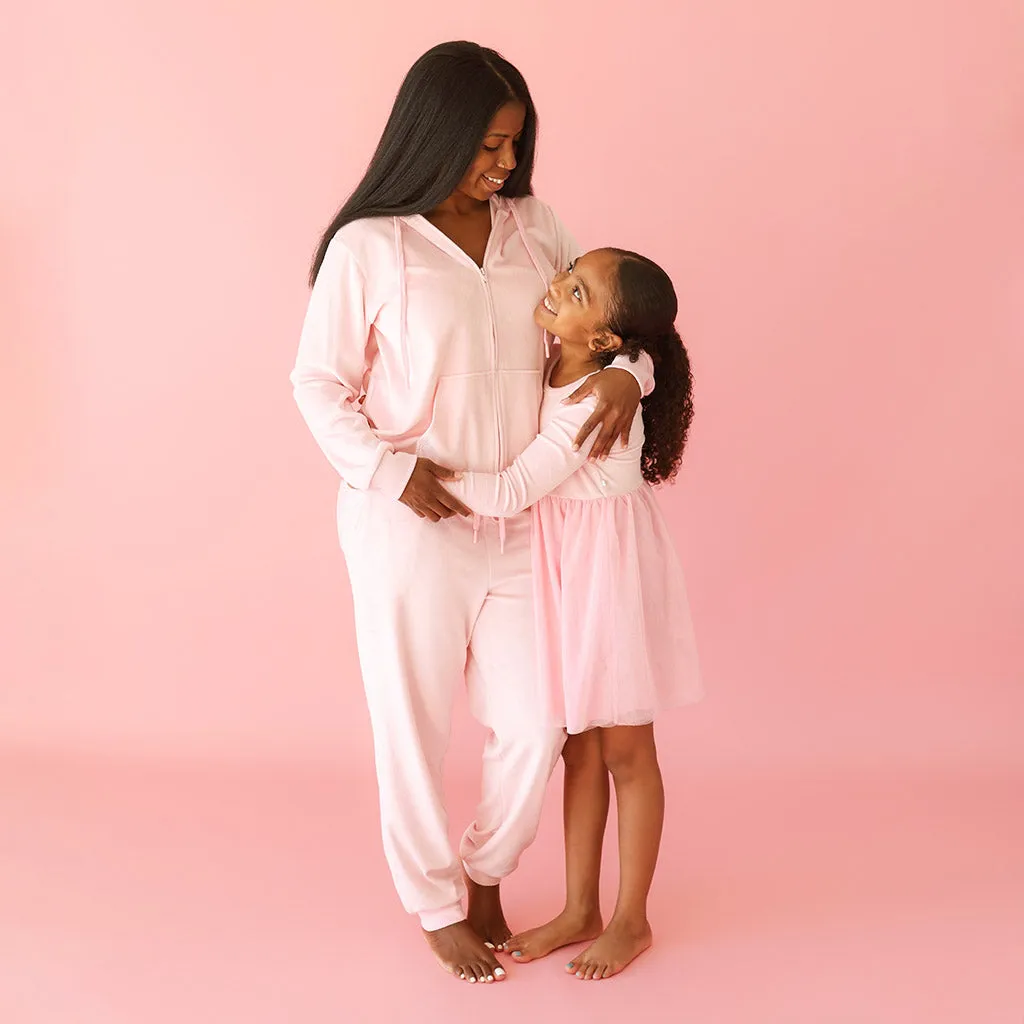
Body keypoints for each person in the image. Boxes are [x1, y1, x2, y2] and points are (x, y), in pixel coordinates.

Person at [290, 43, 654, 985]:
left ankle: (487, 871)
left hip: (527, 522)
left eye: (513, 146)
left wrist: (629, 372)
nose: (502, 165)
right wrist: (388, 470)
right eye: (488, 145)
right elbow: (318, 383)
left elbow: (612, 320)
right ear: (435, 131)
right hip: (410, 523)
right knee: (411, 721)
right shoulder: (370, 245)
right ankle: (436, 901)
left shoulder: (535, 228)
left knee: (536, 725)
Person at [436, 247, 703, 980]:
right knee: (578, 749)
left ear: (606, 338)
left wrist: (415, 474)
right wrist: (632, 370)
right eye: (568, 273)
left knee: (625, 752)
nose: (557, 285)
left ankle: (630, 918)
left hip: (606, 577)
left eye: (576, 288)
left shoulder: (593, 401)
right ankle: (580, 907)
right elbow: (643, 357)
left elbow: (515, 486)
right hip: (559, 571)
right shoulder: (579, 362)